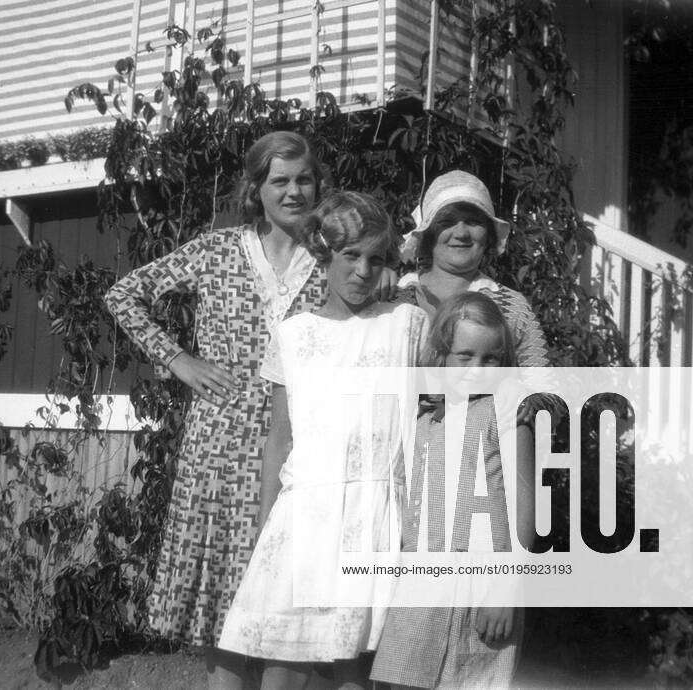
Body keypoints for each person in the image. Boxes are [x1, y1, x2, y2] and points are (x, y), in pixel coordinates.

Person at [104, 131, 330, 688]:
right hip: (221, 445)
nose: (294, 191)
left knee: (287, 606)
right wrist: (178, 359)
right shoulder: (217, 249)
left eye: (304, 179)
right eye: (280, 180)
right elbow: (123, 295)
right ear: (257, 189)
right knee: (225, 614)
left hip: (304, 442)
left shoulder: (332, 256)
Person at [217, 191, 429, 689]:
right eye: (350, 255)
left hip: (375, 512)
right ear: (324, 254)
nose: (362, 270)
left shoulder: (405, 325)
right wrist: (266, 525)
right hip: (305, 514)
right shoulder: (293, 335)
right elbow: (279, 440)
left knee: (353, 660)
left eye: (376, 259)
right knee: (284, 660)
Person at [370, 291, 536, 689]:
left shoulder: (509, 408)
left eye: (491, 358)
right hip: (418, 580)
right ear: (441, 355)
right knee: (400, 679)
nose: (478, 369)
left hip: (484, 582)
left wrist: (505, 590)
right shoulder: (425, 416)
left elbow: (526, 503)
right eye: (465, 356)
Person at [394, 170, 549, 367]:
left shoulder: (513, 309)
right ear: (429, 232)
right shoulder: (391, 296)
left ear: (488, 235)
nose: (461, 233)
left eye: (473, 222)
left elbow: (542, 388)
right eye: (447, 222)